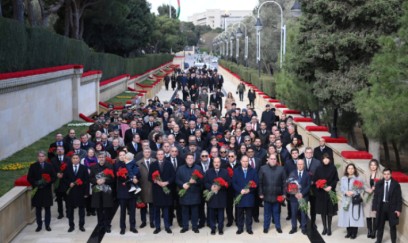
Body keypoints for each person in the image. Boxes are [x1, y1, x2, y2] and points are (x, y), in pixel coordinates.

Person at [27, 150, 56, 232]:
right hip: (37, 191)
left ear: (45, 157)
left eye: (42, 156)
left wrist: (47, 183)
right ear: (37, 157)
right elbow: (29, 178)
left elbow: (53, 177)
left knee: (47, 209)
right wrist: (36, 183)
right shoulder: (33, 166)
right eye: (39, 156)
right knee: (38, 209)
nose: (41, 158)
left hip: (46, 190)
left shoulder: (49, 165)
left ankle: (47, 225)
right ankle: (39, 225)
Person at [149, 149, 176, 234]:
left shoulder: (169, 164)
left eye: (162, 154)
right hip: (157, 190)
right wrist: (157, 182)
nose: (160, 156)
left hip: (166, 190)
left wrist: (167, 182)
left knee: (166, 210)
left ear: (164, 155)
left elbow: (173, 176)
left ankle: (167, 226)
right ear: (156, 156)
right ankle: (157, 227)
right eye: (159, 154)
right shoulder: (153, 165)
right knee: (156, 210)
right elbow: (149, 177)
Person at [258, 153, 286, 234]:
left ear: (276, 160)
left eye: (274, 159)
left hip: (277, 195)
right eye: (271, 159)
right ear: (268, 159)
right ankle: (266, 227)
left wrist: (284, 194)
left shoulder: (281, 169)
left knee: (276, 213)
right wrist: (260, 193)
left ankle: (278, 227)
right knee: (267, 213)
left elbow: (284, 182)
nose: (273, 160)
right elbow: (260, 182)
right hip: (266, 195)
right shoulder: (263, 168)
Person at [372, 168, 402, 243]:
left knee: (392, 226)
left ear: (391, 174)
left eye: (388, 174)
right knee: (380, 225)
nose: (386, 176)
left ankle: (393, 241)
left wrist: (398, 209)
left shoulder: (396, 184)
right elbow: (375, 196)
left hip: (392, 207)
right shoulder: (379, 184)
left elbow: (399, 198)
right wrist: (374, 208)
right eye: (385, 174)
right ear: (383, 174)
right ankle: (379, 240)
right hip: (381, 207)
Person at [176, 153, 203, 233]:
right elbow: (177, 180)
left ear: (194, 160)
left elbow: (202, 180)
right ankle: (185, 227)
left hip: (195, 192)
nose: (190, 159)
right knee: (185, 211)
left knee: (195, 211)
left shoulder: (198, 168)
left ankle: (195, 227)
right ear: (186, 159)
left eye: (191, 158)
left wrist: (195, 181)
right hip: (185, 193)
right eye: (188, 158)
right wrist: (182, 185)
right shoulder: (180, 168)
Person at [232, 155, 259, 235]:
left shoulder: (253, 171)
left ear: (248, 162)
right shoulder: (236, 170)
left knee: (249, 214)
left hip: (249, 196)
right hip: (239, 195)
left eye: (246, 161)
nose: (245, 163)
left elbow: (256, 183)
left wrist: (249, 190)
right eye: (243, 161)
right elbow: (234, 183)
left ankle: (249, 228)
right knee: (239, 213)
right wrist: (240, 190)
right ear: (240, 162)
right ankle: (240, 228)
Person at [313, 154, 339, 236]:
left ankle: (329, 228)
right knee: (323, 211)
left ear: (330, 159)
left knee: (330, 211)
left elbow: (336, 179)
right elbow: (315, 180)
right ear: (322, 159)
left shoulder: (333, 168)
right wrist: (322, 186)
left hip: (331, 192)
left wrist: (330, 186)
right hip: (321, 192)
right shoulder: (318, 168)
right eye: (324, 158)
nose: (326, 160)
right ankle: (325, 228)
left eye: (327, 158)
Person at [338, 163, 365, 239]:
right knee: (346, 216)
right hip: (346, 199)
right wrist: (345, 192)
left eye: (352, 168)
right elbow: (341, 188)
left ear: (354, 169)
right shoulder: (343, 178)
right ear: (346, 169)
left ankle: (354, 233)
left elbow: (361, 189)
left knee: (354, 215)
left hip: (354, 199)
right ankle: (349, 232)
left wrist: (353, 192)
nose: (350, 170)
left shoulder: (358, 178)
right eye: (349, 168)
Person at [90, 152, 115, 233]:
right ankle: (100, 225)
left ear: (105, 158)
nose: (101, 158)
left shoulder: (110, 166)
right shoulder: (93, 167)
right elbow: (90, 178)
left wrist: (105, 180)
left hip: (106, 191)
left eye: (103, 157)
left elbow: (113, 179)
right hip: (97, 191)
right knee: (99, 209)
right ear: (98, 158)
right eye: (100, 157)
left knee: (107, 209)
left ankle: (107, 225)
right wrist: (96, 181)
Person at [204, 157, 230, 235]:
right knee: (211, 213)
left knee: (221, 213)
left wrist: (221, 186)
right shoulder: (208, 172)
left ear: (220, 163)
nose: (216, 163)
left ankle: (220, 228)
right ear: (213, 163)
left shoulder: (225, 172)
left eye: (218, 162)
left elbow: (229, 182)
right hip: (211, 196)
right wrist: (211, 187)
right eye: (215, 162)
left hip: (221, 195)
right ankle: (213, 228)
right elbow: (205, 182)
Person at [64, 154, 89, 232]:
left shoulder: (84, 168)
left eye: (76, 158)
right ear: (71, 159)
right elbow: (64, 179)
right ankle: (71, 226)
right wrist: (69, 183)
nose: (75, 159)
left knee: (81, 210)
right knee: (70, 210)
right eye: (73, 158)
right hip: (71, 193)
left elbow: (86, 181)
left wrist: (86, 193)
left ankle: (81, 225)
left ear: (79, 159)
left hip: (80, 192)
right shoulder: (67, 168)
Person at [288, 159, 310, 235]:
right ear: (296, 165)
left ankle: (303, 227)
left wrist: (302, 194)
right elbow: (290, 184)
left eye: (301, 164)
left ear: (304, 165)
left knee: (303, 213)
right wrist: (295, 193)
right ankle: (294, 227)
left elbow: (308, 186)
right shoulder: (292, 173)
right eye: (298, 164)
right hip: (294, 197)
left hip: (303, 197)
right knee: (293, 213)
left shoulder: (307, 174)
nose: (300, 166)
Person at [50, 146, 71, 219]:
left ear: (64, 150)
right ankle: (60, 213)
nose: (59, 151)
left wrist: (63, 174)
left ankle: (68, 212)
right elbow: (51, 170)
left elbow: (70, 169)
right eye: (58, 150)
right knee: (59, 199)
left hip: (66, 182)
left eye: (61, 149)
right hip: (57, 183)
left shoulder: (68, 159)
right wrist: (56, 174)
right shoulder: (53, 160)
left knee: (67, 199)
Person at [303, 147, 322, 228]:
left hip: (314, 189)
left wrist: (314, 181)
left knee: (313, 206)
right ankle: (304, 222)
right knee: (303, 206)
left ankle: (313, 222)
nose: (308, 154)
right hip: (303, 188)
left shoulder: (317, 162)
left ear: (312, 153)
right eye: (307, 152)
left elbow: (319, 174)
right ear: (304, 153)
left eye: (310, 152)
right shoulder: (301, 161)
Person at [364, 159, 382, 239]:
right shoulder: (366, 173)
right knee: (368, 215)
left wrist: (375, 189)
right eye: (371, 165)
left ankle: (374, 231)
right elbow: (363, 185)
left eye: (374, 165)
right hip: (368, 196)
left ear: (377, 166)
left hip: (376, 197)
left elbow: (382, 187)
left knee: (374, 215)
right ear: (369, 166)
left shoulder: (380, 175)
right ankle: (369, 230)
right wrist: (369, 190)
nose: (373, 166)